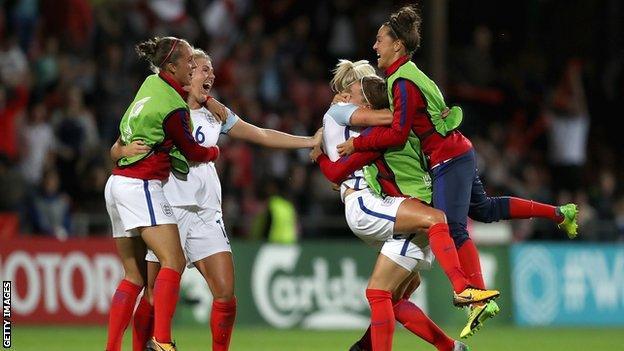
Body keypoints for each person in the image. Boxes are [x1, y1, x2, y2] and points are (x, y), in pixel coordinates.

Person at [336, 5, 579, 339]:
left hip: (448, 158)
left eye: (380, 40)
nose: (375, 47)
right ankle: (558, 213)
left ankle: (473, 293)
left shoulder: (401, 81)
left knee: (451, 226)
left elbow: (397, 132)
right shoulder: (413, 75)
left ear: (397, 45)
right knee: (484, 209)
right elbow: (424, 117)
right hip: (458, 150)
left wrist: (356, 146)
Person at [113, 48, 321, 351]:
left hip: (207, 213)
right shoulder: (167, 108)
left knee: (225, 292)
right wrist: (120, 153)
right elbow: (120, 144)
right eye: (201, 69)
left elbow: (260, 134)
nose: (210, 74)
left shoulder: (216, 115)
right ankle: (148, 345)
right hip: (168, 207)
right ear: (186, 74)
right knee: (153, 294)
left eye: (211, 69)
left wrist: (308, 141)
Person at [312, 59, 499, 351]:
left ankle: (443, 345)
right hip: (375, 203)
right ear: (352, 94)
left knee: (389, 296)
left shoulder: (381, 130)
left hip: (402, 205)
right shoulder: (347, 114)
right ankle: (461, 294)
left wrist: (322, 155)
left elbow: (337, 170)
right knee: (384, 291)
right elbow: (341, 167)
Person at [104, 36, 226, 351]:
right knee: (173, 260)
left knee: (134, 276)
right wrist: (212, 152)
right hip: (140, 185)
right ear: (172, 66)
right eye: (188, 61)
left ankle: (113, 348)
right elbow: (193, 152)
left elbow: (118, 145)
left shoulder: (150, 84)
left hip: (116, 181)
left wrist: (119, 151)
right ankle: (162, 341)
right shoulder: (173, 107)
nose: (193, 66)